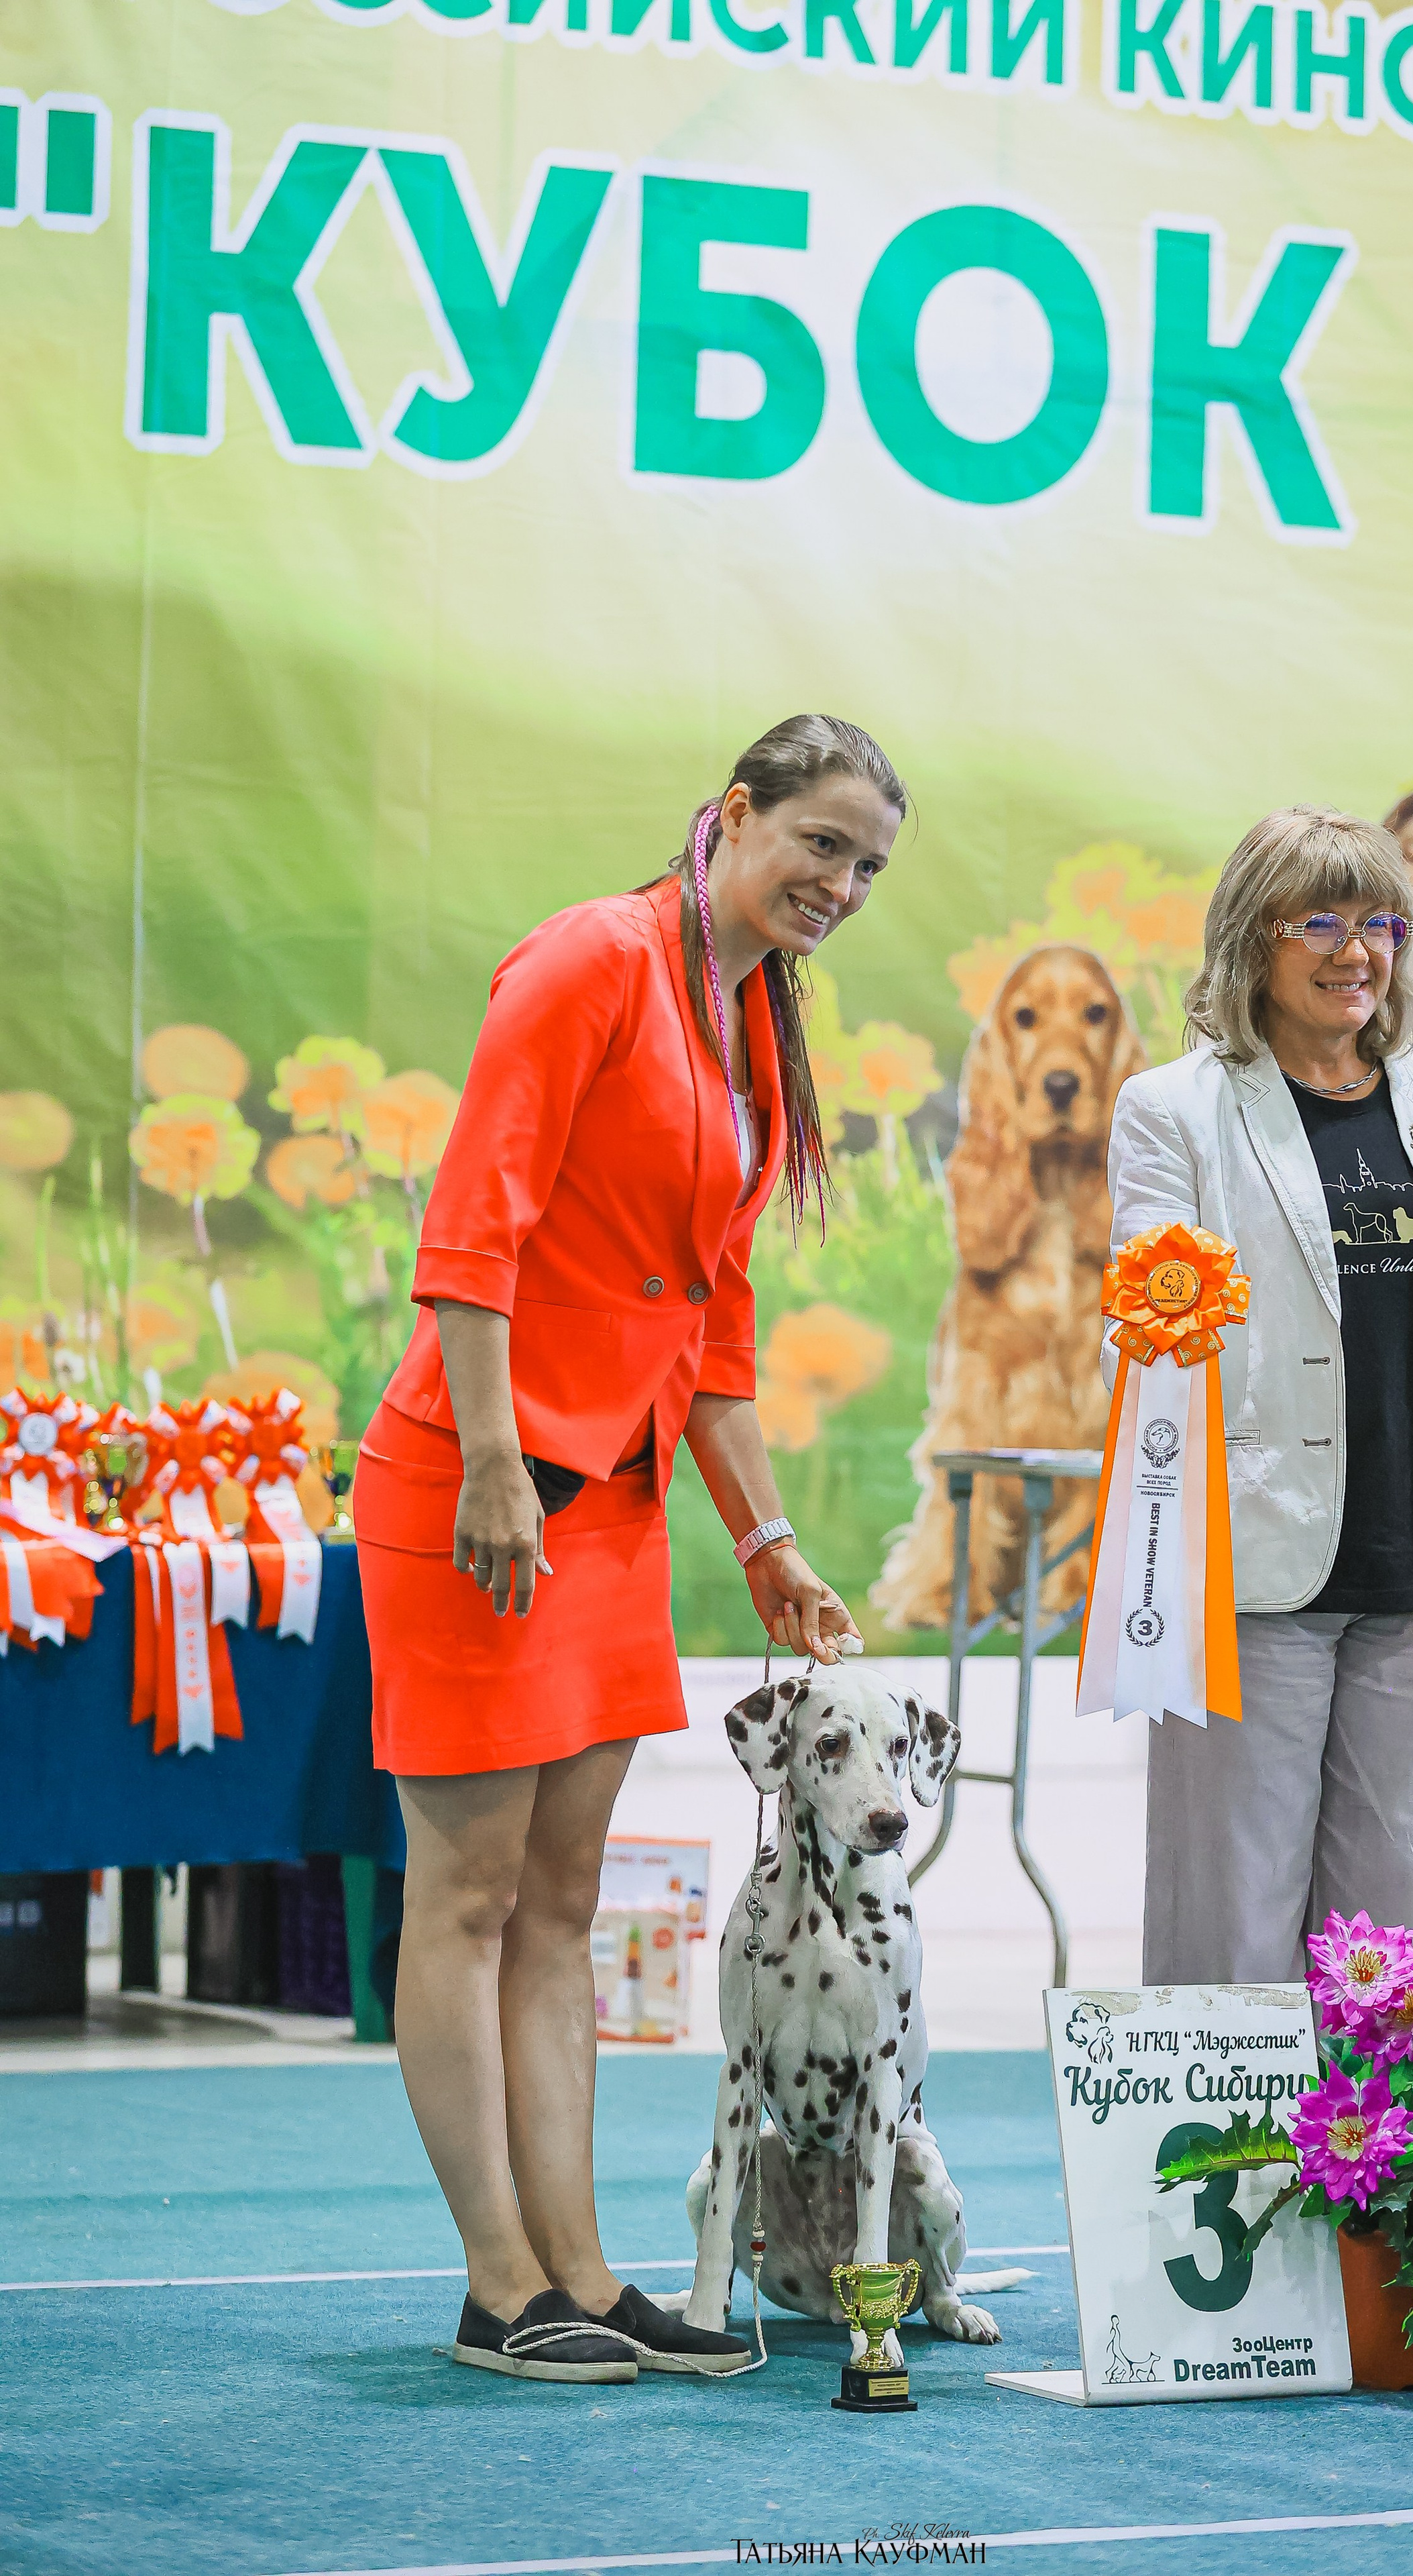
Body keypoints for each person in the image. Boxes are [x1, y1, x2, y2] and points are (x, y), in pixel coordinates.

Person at [353, 715, 905, 2380]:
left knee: (562, 1898)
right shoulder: (588, 962)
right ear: (734, 815)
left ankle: (585, 2274)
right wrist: (498, 1462)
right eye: (818, 843)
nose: (839, 884)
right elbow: (472, 1229)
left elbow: (710, 1321)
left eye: (866, 866)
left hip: (608, 1501)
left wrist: (768, 1538)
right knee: (460, 1893)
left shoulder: (750, 1018)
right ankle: (495, 2278)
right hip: (480, 1486)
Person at [1106, 806, 1413, 1984]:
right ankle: (1230, 2175)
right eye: (1316, 919)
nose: (1354, 950)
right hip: (1251, 1574)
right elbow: (1148, 1347)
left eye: (1378, 922)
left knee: (1394, 1950)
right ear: (1249, 940)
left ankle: (1378, 2172)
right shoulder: (1174, 1110)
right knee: (1233, 1931)